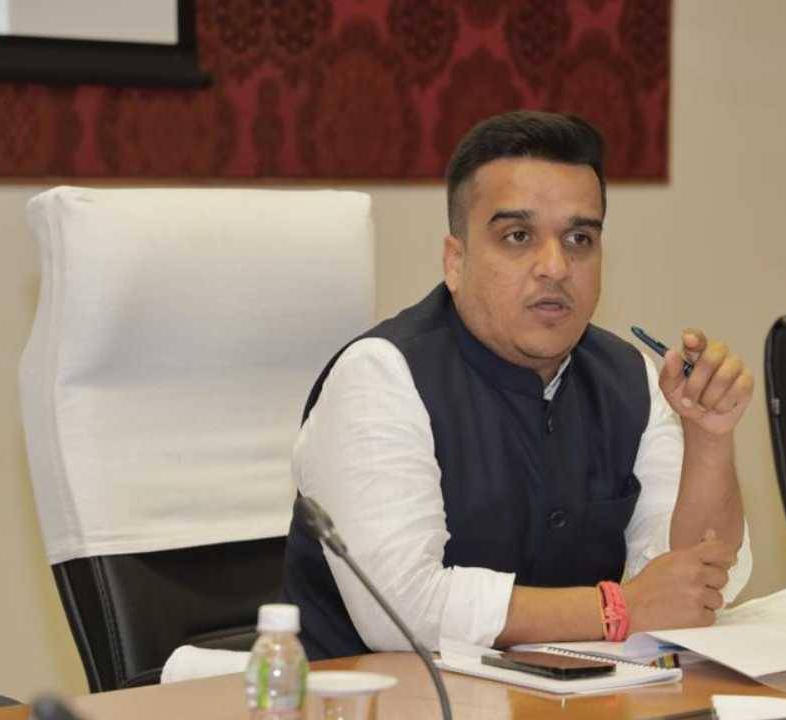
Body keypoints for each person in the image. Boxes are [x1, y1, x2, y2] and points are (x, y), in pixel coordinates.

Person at [283, 111, 755, 660]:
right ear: (455, 261)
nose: (555, 266)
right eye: (518, 236)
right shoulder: (381, 377)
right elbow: (403, 611)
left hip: (573, 695)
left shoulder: (630, 378)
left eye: (579, 238)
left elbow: (695, 585)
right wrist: (617, 608)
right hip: (383, 697)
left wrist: (709, 439)